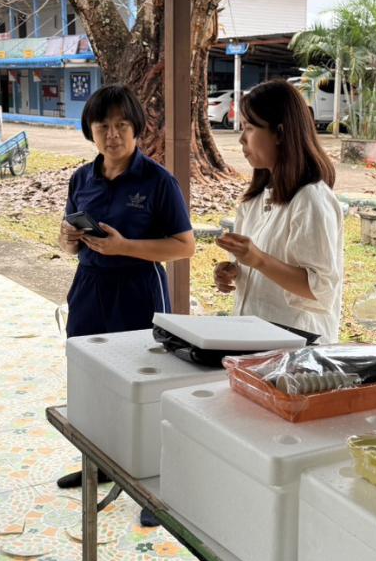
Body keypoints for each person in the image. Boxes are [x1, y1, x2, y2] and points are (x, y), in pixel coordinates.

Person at [55, 84, 196, 528]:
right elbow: (72, 240)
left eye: (121, 126)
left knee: (145, 385)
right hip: (90, 288)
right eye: (102, 126)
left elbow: (184, 247)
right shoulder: (82, 178)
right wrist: (67, 241)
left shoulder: (158, 181)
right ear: (90, 130)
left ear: (136, 130)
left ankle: (154, 486)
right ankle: (96, 463)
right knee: (90, 378)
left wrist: (125, 247)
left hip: (140, 289)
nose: (112, 135)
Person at [215, 79, 345, 343]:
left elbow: (320, 288)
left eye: (250, 128)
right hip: (253, 339)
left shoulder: (311, 199)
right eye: (242, 127)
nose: (241, 138)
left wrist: (258, 260)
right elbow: (258, 268)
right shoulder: (254, 199)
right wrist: (234, 272)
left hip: (297, 350)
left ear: (281, 133)